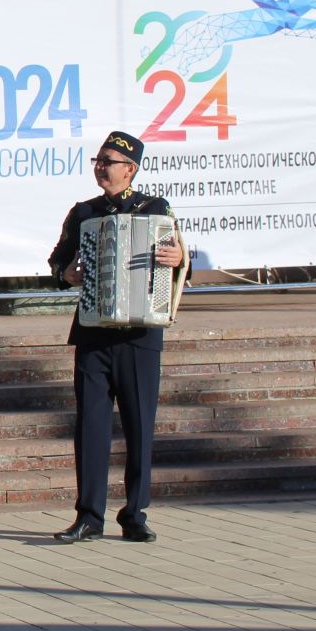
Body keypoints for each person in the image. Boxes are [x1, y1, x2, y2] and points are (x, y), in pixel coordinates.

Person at [46, 131, 186, 544]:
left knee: (140, 424)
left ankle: (135, 513)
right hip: (92, 333)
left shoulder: (155, 209)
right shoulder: (84, 212)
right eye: (98, 160)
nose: (101, 167)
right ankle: (89, 515)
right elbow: (58, 259)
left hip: (139, 335)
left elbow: (180, 257)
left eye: (109, 161)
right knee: (90, 424)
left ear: (131, 169)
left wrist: (179, 260)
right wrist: (65, 273)